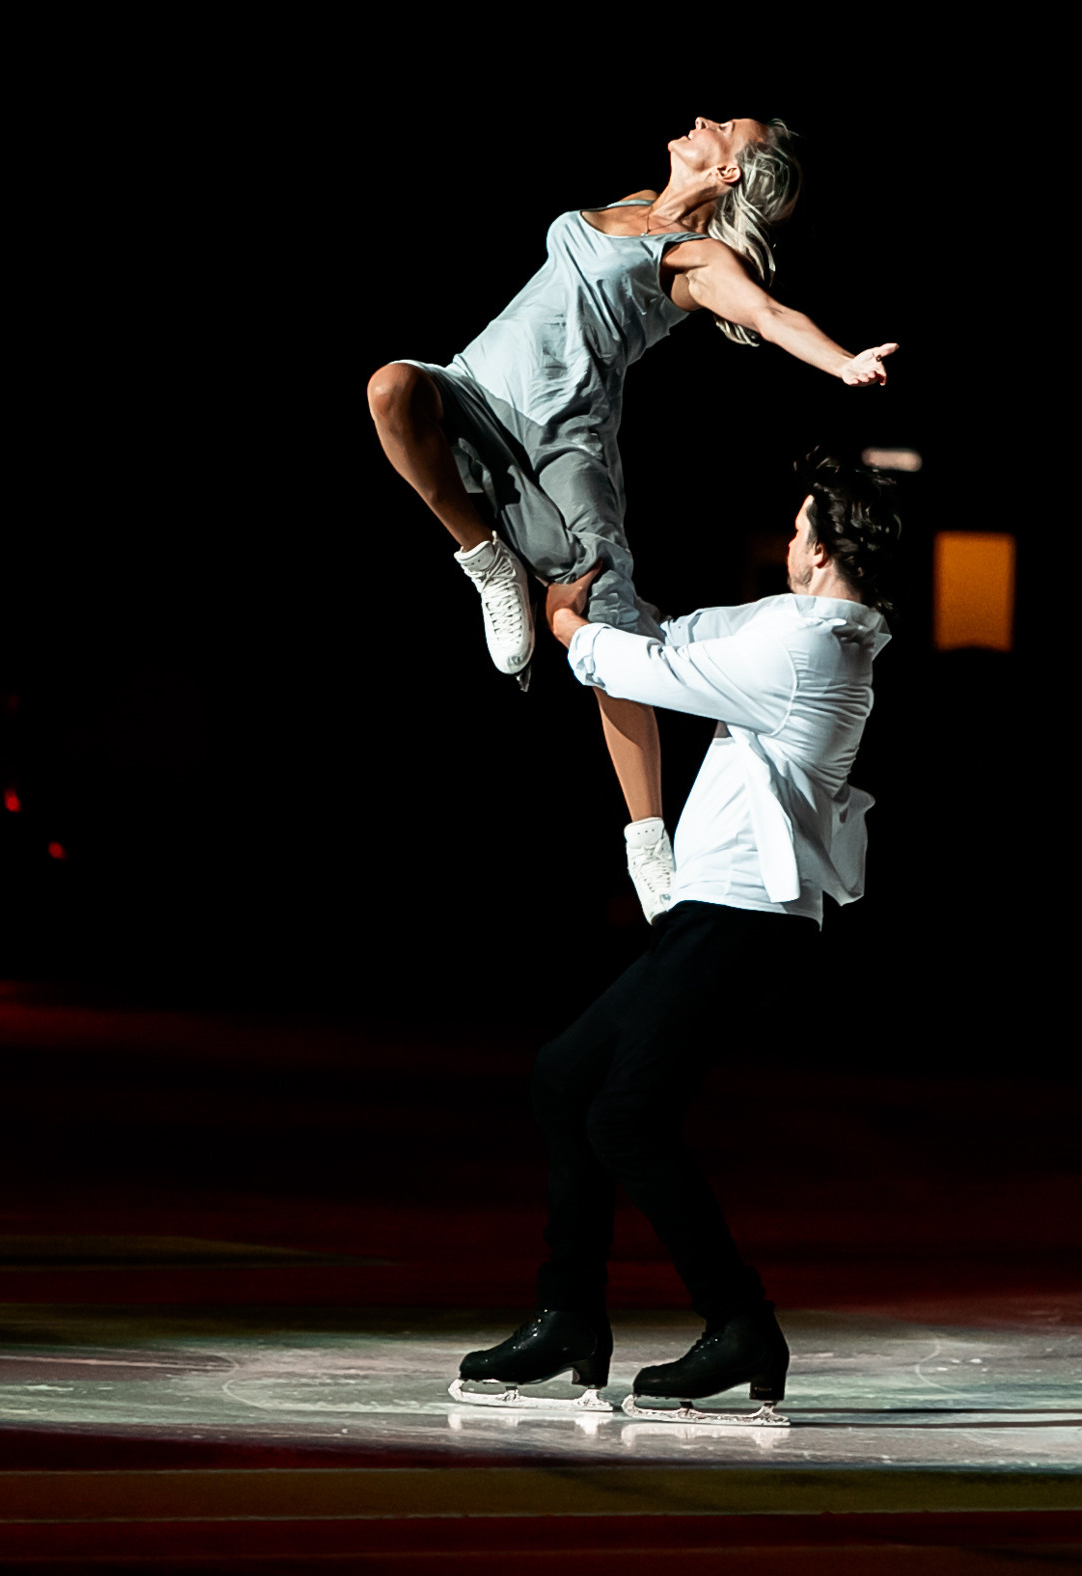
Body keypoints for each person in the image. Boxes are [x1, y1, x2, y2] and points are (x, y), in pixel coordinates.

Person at [449, 451, 901, 1421]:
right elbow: (677, 632)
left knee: (623, 1116)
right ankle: (570, 1313)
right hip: (718, 912)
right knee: (567, 1074)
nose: (785, 540)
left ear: (819, 549)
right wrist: (601, 592)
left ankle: (738, 1321)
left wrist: (566, 622)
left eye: (794, 528)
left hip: (747, 916)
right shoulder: (795, 626)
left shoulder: (814, 645)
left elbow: (645, 665)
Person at [366, 116, 896, 920]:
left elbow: (770, 315)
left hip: (563, 442)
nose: (703, 120)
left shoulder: (700, 259)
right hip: (476, 386)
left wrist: (844, 360)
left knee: (606, 626)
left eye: (725, 129)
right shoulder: (635, 203)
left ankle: (647, 838)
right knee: (389, 390)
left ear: (730, 176)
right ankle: (486, 561)